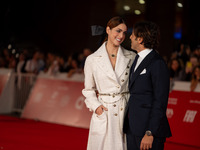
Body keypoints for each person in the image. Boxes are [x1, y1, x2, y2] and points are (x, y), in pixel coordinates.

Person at [82, 16, 135, 150]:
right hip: (104, 110)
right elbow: (88, 90)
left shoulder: (131, 57)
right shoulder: (92, 59)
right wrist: (97, 107)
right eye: (118, 31)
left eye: (124, 32)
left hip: (125, 110)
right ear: (108, 30)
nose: (121, 35)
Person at [123, 21, 172, 150]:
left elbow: (160, 101)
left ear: (140, 39)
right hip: (133, 127)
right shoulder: (137, 59)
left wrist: (150, 132)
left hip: (148, 132)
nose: (130, 37)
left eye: (132, 35)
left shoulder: (157, 62)